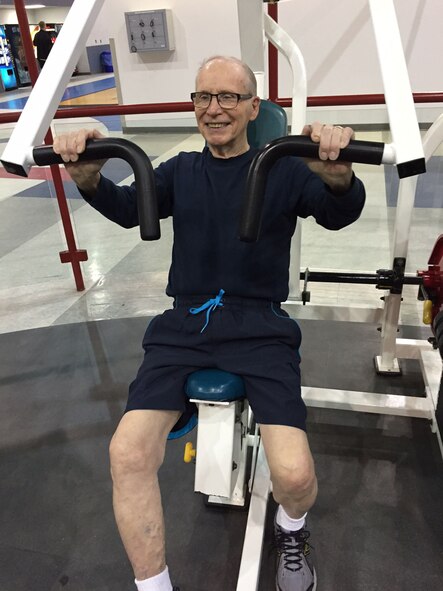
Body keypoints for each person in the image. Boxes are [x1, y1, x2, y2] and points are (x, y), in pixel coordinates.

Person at [53, 55, 366, 591]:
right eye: (203, 97)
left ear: (252, 107)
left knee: (293, 475)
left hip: (260, 326)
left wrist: (340, 177)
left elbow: (338, 212)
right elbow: (132, 208)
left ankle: (292, 529)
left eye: (227, 97)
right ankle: (153, 586)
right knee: (127, 453)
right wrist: (88, 179)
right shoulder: (181, 170)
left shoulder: (286, 166)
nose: (213, 109)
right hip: (185, 326)